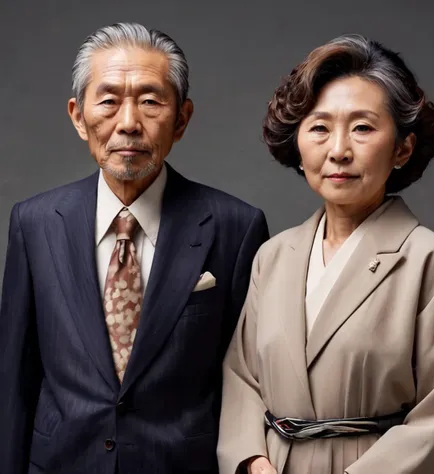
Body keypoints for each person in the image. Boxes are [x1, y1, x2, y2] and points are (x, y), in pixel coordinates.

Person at [0, 22, 269, 474]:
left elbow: (249, 381)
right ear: (77, 115)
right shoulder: (35, 223)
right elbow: (14, 380)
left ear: (181, 119)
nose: (128, 122)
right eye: (108, 100)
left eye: (150, 101)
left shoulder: (236, 227)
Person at [217, 35, 434, 474]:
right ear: (297, 145)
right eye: (319, 128)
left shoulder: (429, 260)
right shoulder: (274, 256)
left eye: (363, 127)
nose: (338, 150)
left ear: (402, 148)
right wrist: (253, 460)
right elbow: (243, 378)